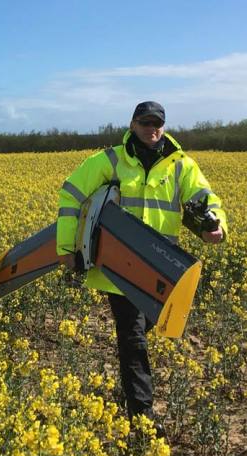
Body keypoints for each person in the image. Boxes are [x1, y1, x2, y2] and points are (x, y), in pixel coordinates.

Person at [55, 101, 227, 437]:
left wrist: (216, 225)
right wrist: (66, 248)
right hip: (116, 268)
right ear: (133, 124)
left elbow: (207, 199)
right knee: (133, 339)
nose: (153, 129)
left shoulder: (181, 165)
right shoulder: (111, 160)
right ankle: (144, 422)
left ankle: (130, 391)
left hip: (160, 268)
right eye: (146, 123)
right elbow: (71, 193)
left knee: (137, 336)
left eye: (157, 123)